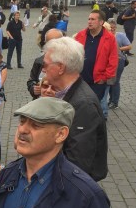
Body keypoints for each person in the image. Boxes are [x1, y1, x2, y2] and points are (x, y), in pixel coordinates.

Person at [40, 37, 108, 181]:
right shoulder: (64, 93)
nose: (43, 69)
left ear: (61, 68)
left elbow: (77, 163)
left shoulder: (83, 104)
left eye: (45, 64)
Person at [74, 10, 118, 111]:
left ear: (101, 22)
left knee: (93, 107)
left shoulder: (109, 38)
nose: (89, 21)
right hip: (80, 79)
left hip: (98, 81)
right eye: (89, 19)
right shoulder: (80, 35)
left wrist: (105, 77)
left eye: (93, 19)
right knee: (80, 106)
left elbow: (113, 60)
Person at [26, 29, 63, 99]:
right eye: (50, 42)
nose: (54, 45)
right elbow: (31, 80)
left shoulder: (68, 62)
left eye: (57, 42)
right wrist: (33, 88)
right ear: (45, 43)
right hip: (40, 101)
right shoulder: (39, 61)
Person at [106, 19, 132, 110]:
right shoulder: (105, 35)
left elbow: (129, 46)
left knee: (115, 81)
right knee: (109, 81)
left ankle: (115, 102)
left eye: (114, 27)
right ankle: (111, 100)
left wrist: (119, 49)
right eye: (111, 27)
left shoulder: (120, 35)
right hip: (108, 61)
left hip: (119, 60)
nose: (113, 29)